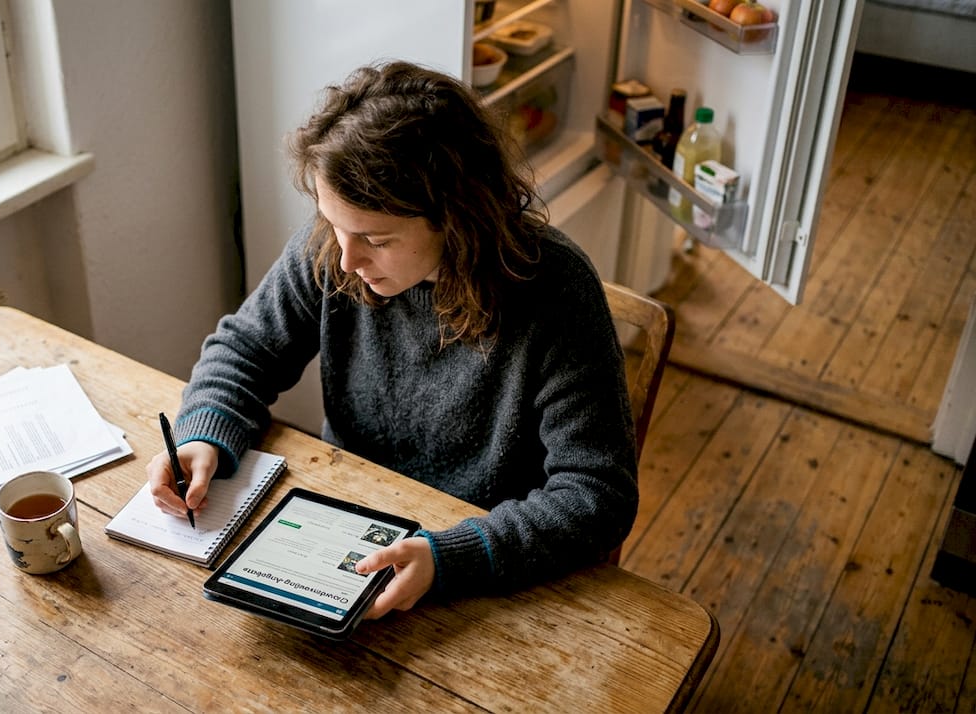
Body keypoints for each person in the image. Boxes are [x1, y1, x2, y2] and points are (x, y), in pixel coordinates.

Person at [147, 60, 637, 619]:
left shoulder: (556, 291)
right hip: (344, 528)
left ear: (457, 218)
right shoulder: (332, 248)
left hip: (488, 567)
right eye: (335, 225)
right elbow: (245, 349)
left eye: (376, 240)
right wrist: (205, 433)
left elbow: (597, 494)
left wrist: (450, 557)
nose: (347, 260)